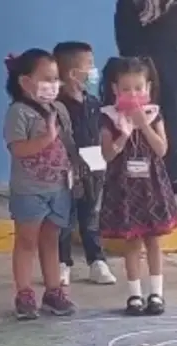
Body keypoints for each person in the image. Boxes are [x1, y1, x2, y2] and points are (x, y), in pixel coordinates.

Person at [98, 57, 177, 316]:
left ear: (148, 88)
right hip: (123, 187)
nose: (133, 94)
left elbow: (161, 148)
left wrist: (142, 124)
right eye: (126, 89)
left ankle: (156, 293)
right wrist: (123, 134)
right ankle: (134, 294)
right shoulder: (109, 118)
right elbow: (107, 155)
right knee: (131, 243)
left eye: (139, 88)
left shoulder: (154, 114)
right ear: (115, 89)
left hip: (151, 185)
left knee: (153, 241)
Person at [3, 49, 78, 320]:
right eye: (46, 79)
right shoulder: (18, 113)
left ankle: (53, 291)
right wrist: (46, 139)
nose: (53, 85)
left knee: (52, 239)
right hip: (29, 190)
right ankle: (24, 293)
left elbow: (68, 143)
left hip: (58, 188)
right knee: (26, 241)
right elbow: (18, 149)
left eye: (56, 79)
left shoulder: (59, 109)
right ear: (25, 82)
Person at [114, 0, 177, 194]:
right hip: (143, 53)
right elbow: (126, 28)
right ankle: (139, 174)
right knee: (140, 108)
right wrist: (133, 58)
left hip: (175, 53)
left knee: (175, 109)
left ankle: (172, 172)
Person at [52, 41, 116, 286]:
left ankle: (96, 261)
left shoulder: (93, 103)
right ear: (71, 73)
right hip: (65, 171)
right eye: (88, 65)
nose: (93, 70)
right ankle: (62, 262)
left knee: (90, 217)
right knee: (65, 218)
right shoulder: (56, 105)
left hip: (93, 168)